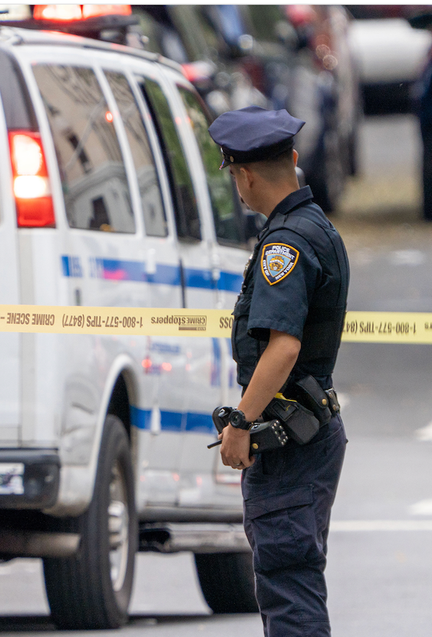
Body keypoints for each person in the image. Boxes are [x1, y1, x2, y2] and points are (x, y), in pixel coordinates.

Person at [208, 106, 350, 637]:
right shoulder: (315, 227)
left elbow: (283, 348)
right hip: (309, 432)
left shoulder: (284, 244)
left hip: (291, 444)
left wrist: (240, 421)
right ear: (292, 158)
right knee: (294, 581)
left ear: (244, 176)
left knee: (290, 589)